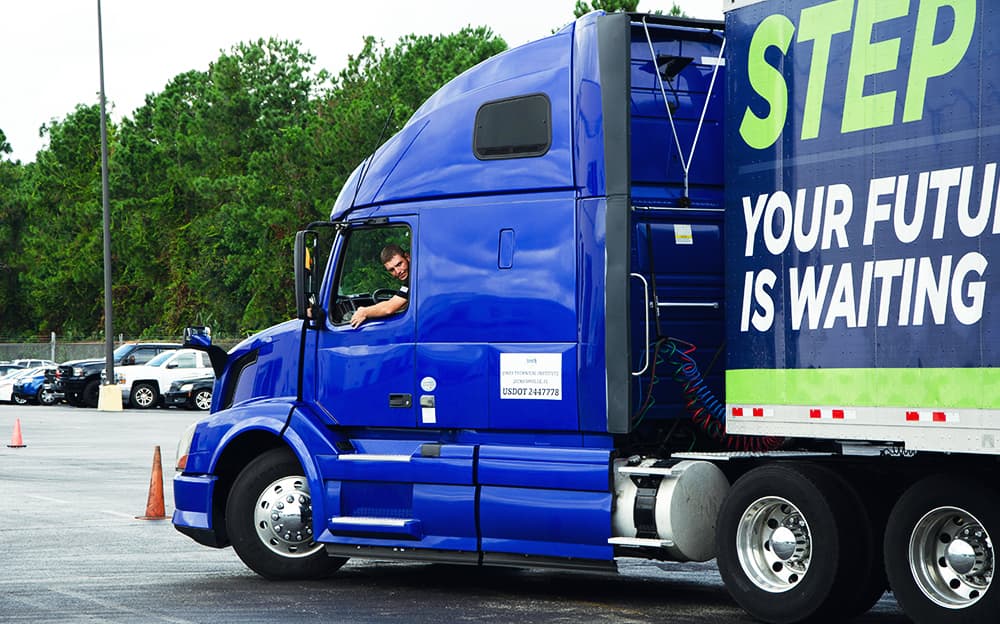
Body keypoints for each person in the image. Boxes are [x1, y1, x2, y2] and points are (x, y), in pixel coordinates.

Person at [350, 244, 411, 328]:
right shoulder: (411, 282)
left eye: (399, 264)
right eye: (391, 270)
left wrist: (363, 312)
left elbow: (389, 308)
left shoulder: (417, 278)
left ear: (407, 257)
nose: (397, 271)